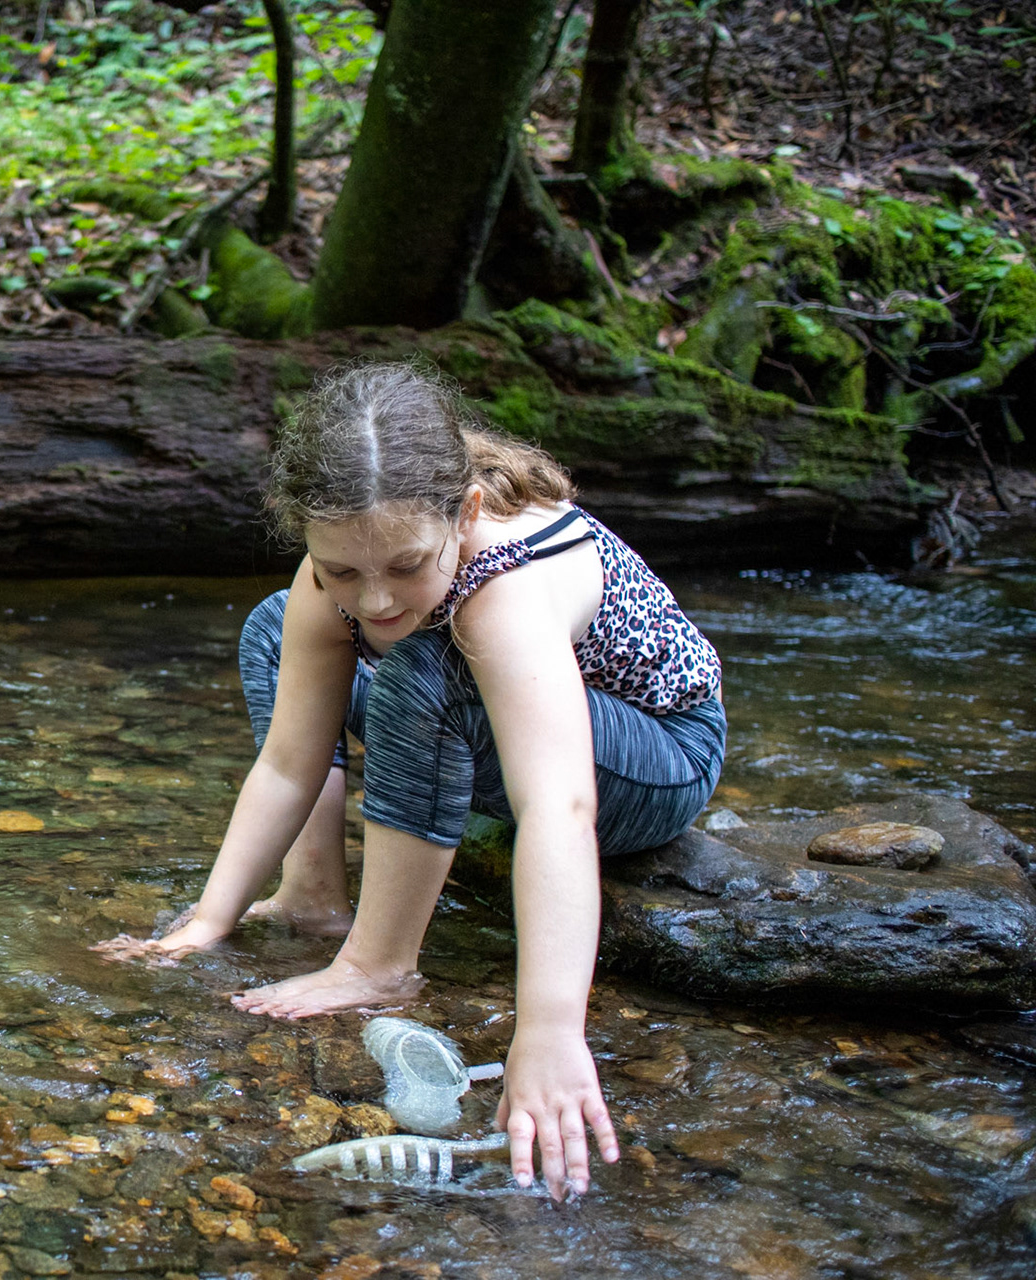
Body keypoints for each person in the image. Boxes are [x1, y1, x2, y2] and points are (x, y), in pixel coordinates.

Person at [95, 362, 725, 1200]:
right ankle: (310, 898)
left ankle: (380, 964)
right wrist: (205, 923)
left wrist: (548, 1031)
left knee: (425, 669)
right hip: (506, 732)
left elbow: (559, 808)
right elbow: (288, 761)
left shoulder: (504, 589)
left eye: (405, 564)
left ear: (462, 515)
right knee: (277, 628)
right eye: (343, 571)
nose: (378, 599)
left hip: (653, 757)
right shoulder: (339, 578)